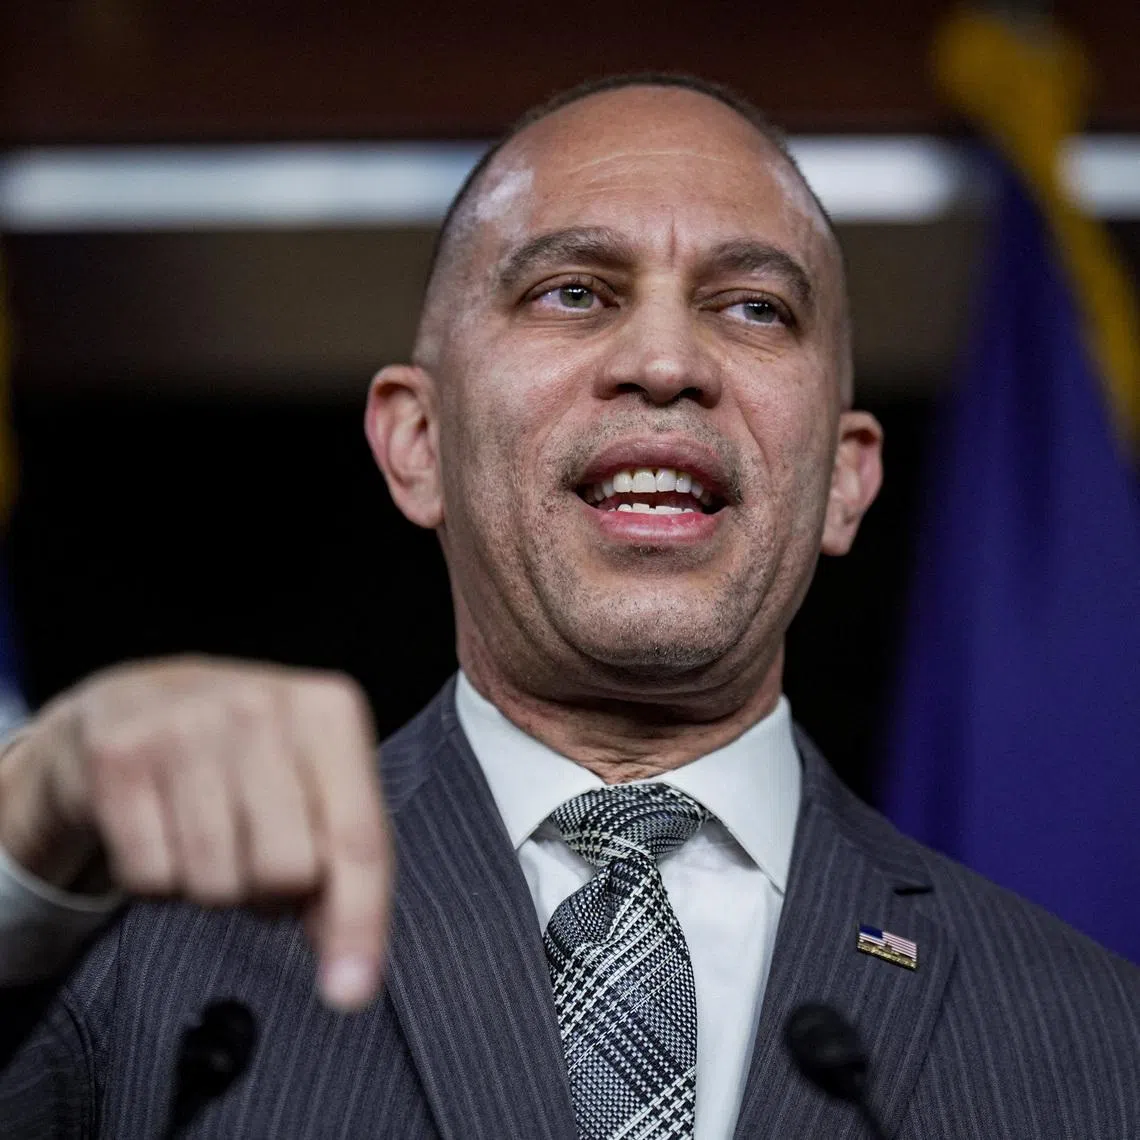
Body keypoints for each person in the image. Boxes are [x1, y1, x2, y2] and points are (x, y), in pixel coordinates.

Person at [0, 73, 1137, 1140]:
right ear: (417, 442)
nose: (666, 361)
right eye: (575, 292)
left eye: (752, 308)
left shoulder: (1096, 1038)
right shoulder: (125, 962)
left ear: (846, 479)